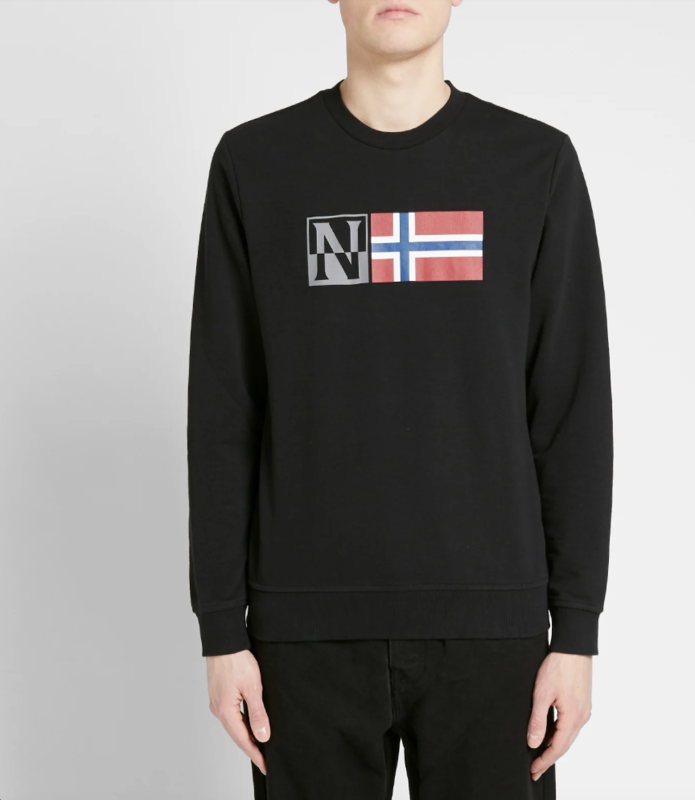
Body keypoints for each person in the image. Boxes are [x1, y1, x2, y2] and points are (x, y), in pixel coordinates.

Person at [186, 0, 613, 796]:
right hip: (302, 635)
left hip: (494, 635)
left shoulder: (533, 163)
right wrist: (220, 630)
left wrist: (576, 631)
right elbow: (222, 409)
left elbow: (570, 410)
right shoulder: (256, 163)